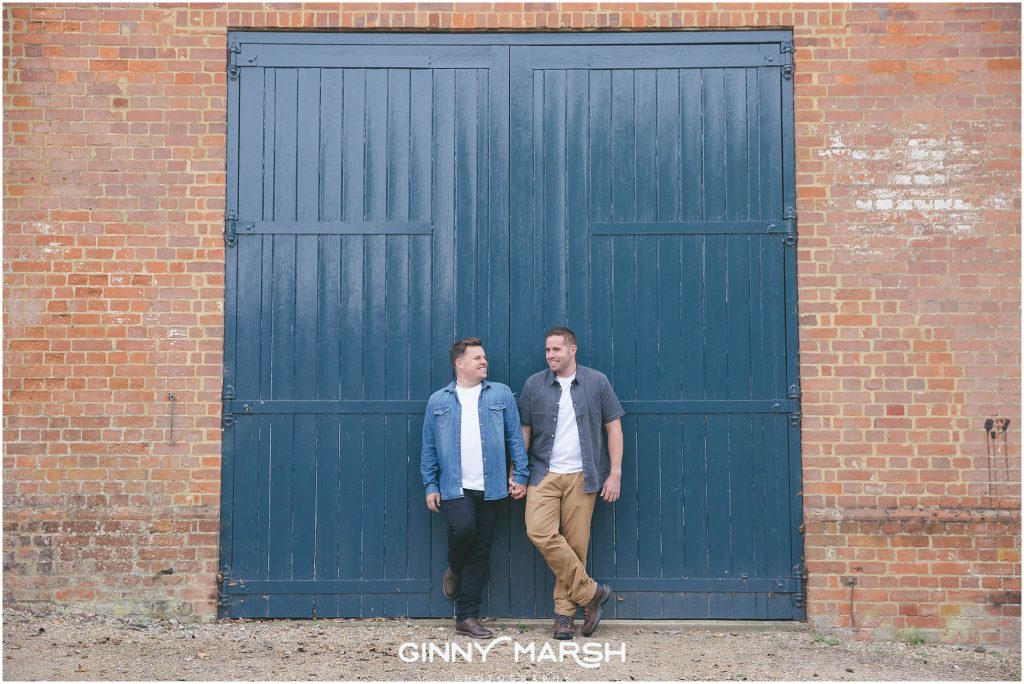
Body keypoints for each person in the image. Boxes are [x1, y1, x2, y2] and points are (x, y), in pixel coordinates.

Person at [512, 326, 624, 640]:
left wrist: (614, 473)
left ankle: (564, 616)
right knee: (539, 531)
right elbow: (524, 433)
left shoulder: (597, 381)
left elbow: (613, 428)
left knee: (575, 547)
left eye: (556, 350)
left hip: (583, 476)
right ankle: (591, 594)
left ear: (572, 350)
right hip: (543, 474)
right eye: (547, 350)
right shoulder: (534, 384)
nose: (550, 356)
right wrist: (518, 474)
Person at [420, 337, 530, 638]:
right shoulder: (439, 401)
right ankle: (454, 567)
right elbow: (428, 447)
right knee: (464, 530)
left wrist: (521, 475)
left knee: (481, 550)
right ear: (459, 363)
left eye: (484, 357)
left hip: (492, 486)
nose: (484, 361)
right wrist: (430, 483)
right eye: (477, 357)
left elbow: (514, 440)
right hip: (454, 485)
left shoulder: (501, 395)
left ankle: (467, 616)